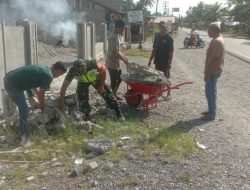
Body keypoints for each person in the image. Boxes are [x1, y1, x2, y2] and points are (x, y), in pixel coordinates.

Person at [4, 62, 67, 145]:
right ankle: (24, 136)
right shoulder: (49, 76)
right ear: (57, 70)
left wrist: (35, 96)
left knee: (26, 106)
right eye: (60, 74)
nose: (59, 76)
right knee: (24, 109)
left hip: (11, 77)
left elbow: (32, 82)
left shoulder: (45, 68)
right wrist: (41, 105)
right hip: (12, 83)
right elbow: (42, 93)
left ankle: (22, 131)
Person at [59, 59, 125, 121]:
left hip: (96, 79)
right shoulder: (72, 72)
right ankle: (86, 115)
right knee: (81, 97)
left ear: (85, 66)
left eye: (83, 71)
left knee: (106, 92)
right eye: (80, 73)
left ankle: (118, 112)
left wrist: (102, 86)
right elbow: (64, 86)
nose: (83, 73)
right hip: (83, 81)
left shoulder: (93, 65)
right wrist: (61, 101)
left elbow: (104, 70)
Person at [201, 23, 225, 121]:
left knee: (210, 92)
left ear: (214, 30)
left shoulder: (217, 41)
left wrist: (208, 73)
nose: (207, 32)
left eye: (208, 30)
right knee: (209, 91)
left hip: (213, 70)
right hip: (213, 69)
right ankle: (211, 110)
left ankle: (212, 114)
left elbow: (215, 59)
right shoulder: (216, 39)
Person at [148, 21, 174, 99]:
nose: (164, 29)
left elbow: (171, 52)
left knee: (166, 77)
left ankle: (169, 93)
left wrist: (169, 63)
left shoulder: (169, 38)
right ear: (159, 28)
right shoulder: (157, 37)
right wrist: (150, 60)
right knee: (158, 77)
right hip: (158, 60)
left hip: (165, 62)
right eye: (162, 27)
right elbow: (154, 49)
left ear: (166, 28)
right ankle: (159, 92)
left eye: (165, 27)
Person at [106, 19, 128, 100]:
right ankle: (113, 96)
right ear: (118, 27)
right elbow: (115, 52)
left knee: (120, 77)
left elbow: (118, 50)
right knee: (114, 80)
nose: (123, 30)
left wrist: (124, 57)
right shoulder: (112, 37)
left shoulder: (117, 36)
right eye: (122, 28)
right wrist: (124, 60)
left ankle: (114, 94)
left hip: (115, 62)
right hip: (111, 63)